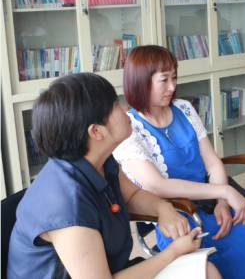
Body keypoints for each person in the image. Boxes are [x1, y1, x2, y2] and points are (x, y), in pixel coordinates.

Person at [113, 45, 245, 279]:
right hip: (180, 219)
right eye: (164, 80)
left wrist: (221, 201)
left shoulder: (184, 108)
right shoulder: (130, 128)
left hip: (213, 205)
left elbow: (213, 163)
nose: (172, 87)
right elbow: (157, 185)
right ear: (141, 82)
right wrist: (223, 191)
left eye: (174, 78)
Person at [8, 73, 220, 279]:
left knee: (205, 271)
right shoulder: (65, 205)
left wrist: (162, 208)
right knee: (204, 272)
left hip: (113, 269)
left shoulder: (99, 161)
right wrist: (173, 252)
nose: (126, 109)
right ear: (96, 132)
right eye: (116, 106)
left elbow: (133, 195)